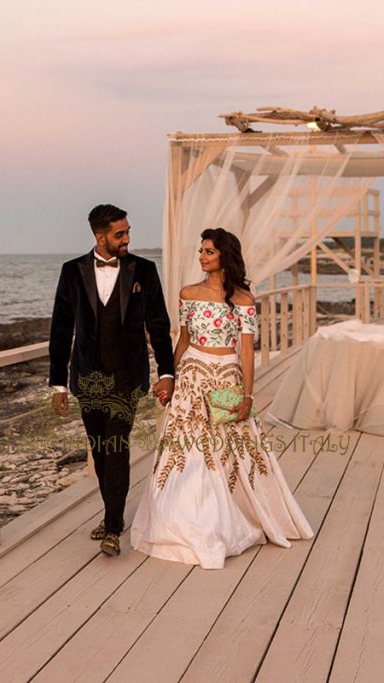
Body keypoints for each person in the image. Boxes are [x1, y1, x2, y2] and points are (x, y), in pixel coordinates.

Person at [130, 227, 313, 569]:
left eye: (209, 251)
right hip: (192, 374)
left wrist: (246, 395)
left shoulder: (243, 299)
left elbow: (247, 351)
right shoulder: (188, 293)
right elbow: (183, 339)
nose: (201, 256)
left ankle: (228, 521)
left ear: (224, 256)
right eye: (201, 250)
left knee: (228, 454)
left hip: (226, 375)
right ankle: (185, 522)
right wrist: (168, 376)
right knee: (187, 452)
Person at [49, 204, 176, 557]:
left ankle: (112, 528)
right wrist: (57, 383)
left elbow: (159, 326)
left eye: (128, 232)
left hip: (126, 377)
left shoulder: (144, 270)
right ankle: (113, 518)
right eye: (120, 234)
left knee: (116, 447)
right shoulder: (72, 272)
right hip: (87, 378)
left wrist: (166, 371)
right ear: (99, 236)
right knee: (100, 450)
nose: (127, 239)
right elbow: (61, 329)